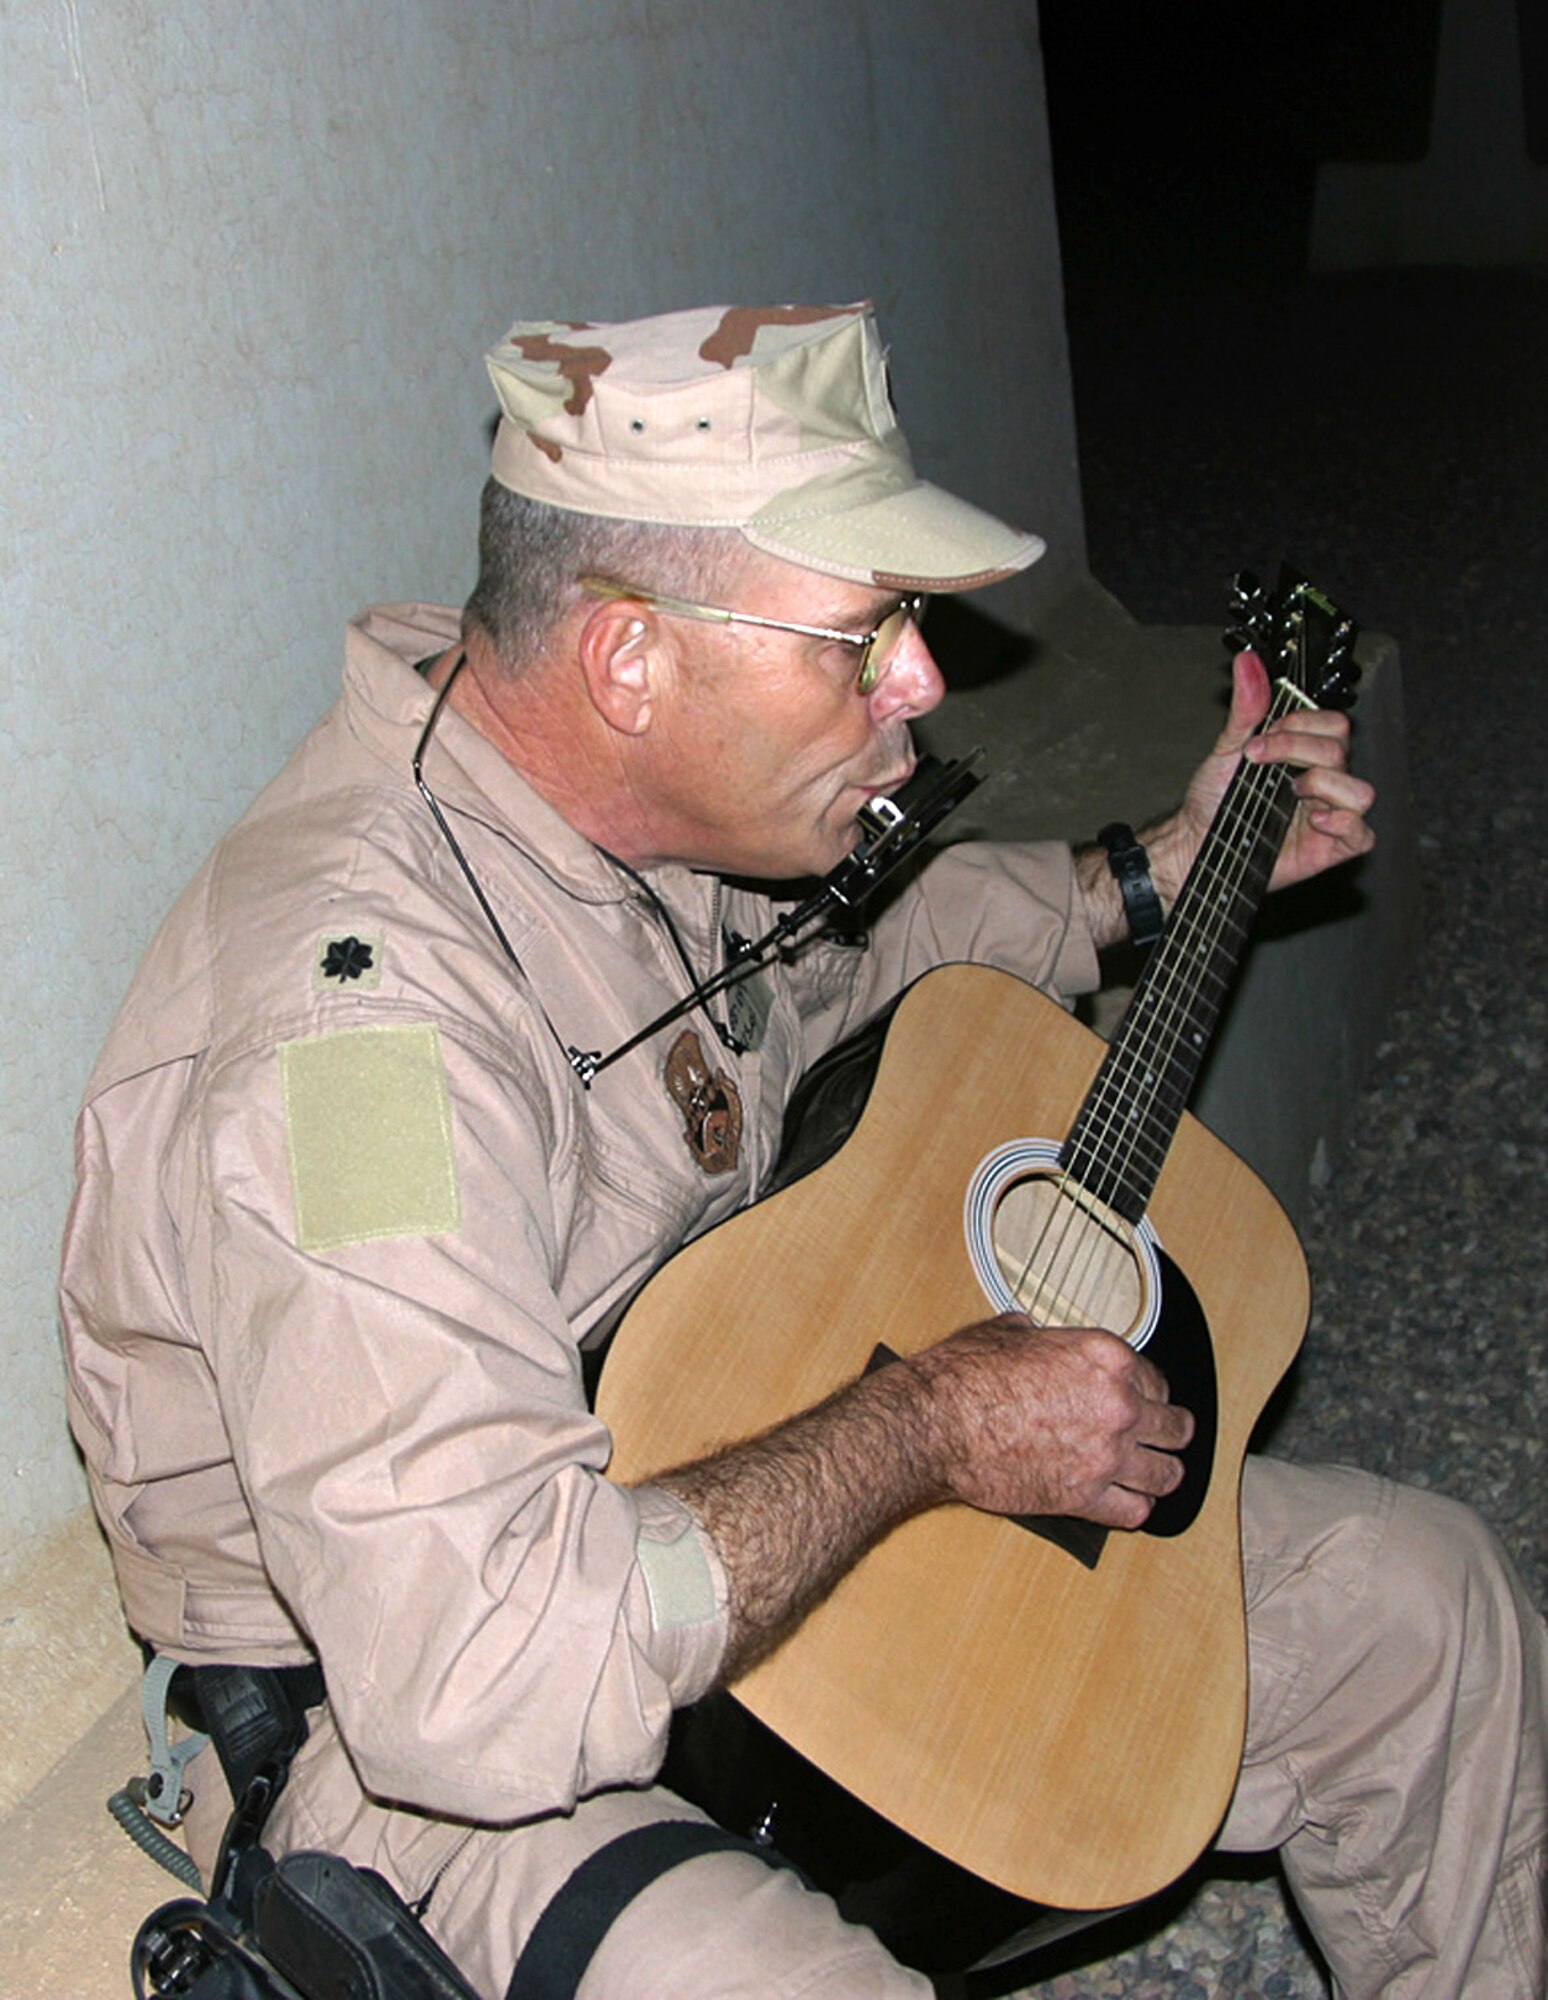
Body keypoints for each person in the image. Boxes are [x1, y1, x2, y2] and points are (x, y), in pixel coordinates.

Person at [60, 303, 1544, 2000]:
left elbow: (830, 973)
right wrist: (935, 1420)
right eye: (859, 636)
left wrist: (1151, 871)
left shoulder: (630, 814)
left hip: (725, 1463)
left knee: (1426, 1614)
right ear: (632, 662)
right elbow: (477, 1666)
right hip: (437, 1702)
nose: (920, 676)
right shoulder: (360, 1053)